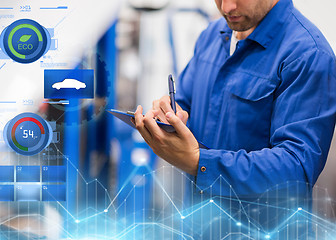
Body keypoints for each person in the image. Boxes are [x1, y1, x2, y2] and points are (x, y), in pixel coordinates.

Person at [134, 0, 336, 197]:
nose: (226, 7)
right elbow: (186, 102)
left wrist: (199, 162)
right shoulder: (212, 35)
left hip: (258, 228)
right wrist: (168, 113)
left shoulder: (307, 55)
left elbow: (296, 171)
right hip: (198, 222)